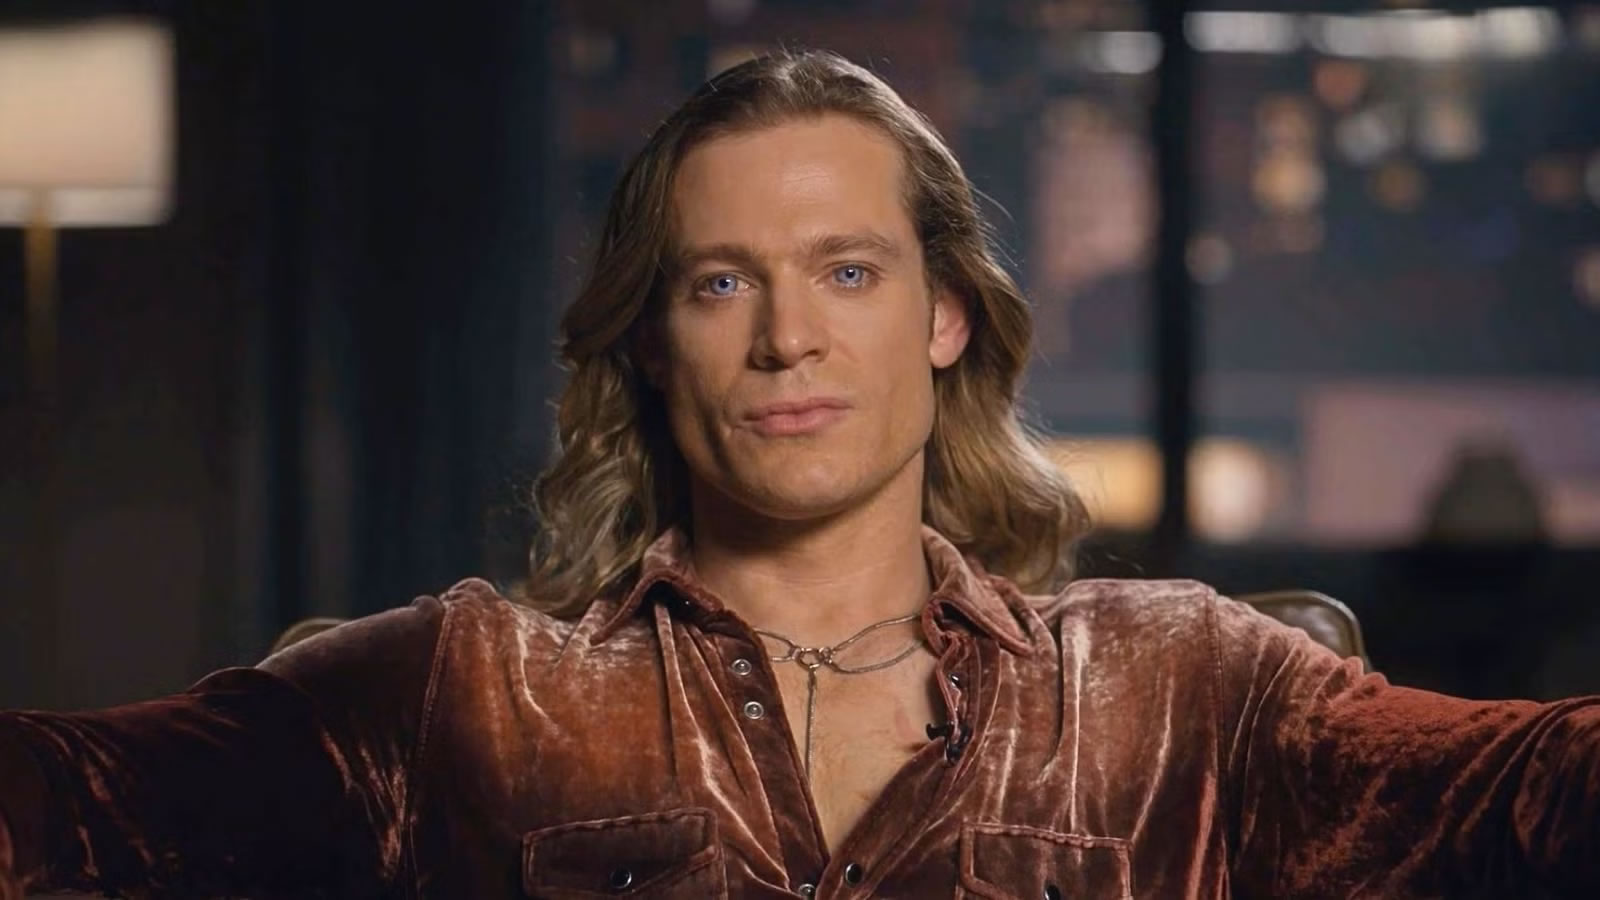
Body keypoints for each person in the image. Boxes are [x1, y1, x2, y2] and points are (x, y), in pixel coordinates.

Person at [2, 49, 1597, 900]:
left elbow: (1532, 792)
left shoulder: (1180, 688)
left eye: (845, 272)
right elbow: (65, 805)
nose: (785, 340)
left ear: (946, 316)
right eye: (720, 283)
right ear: (650, 341)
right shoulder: (467, 696)